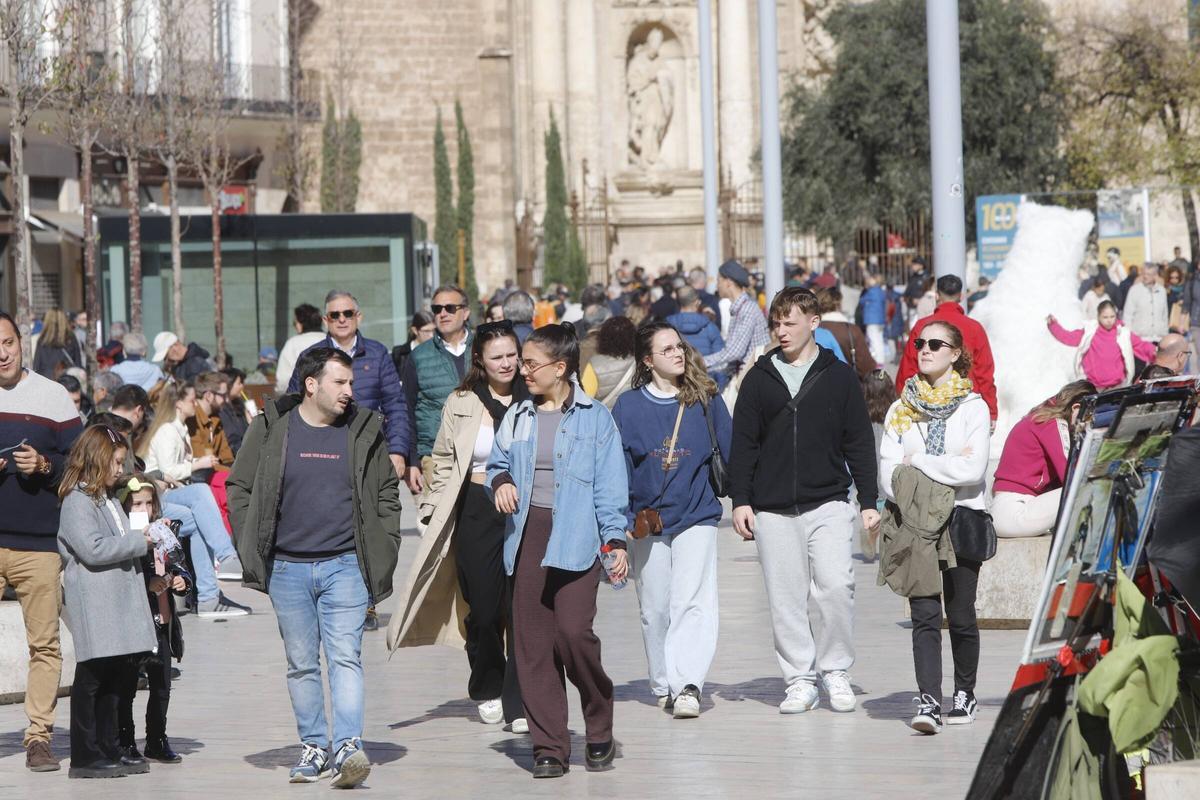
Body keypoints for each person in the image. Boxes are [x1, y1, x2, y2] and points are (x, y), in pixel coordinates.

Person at [227, 347, 403, 788]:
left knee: (345, 657)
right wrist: (250, 543)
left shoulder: (362, 429)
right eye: (340, 382)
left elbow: (385, 492)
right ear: (312, 385)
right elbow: (240, 486)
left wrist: (387, 542)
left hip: (346, 565)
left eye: (350, 383)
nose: (350, 391)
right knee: (302, 663)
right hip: (288, 568)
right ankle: (313, 747)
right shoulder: (273, 429)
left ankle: (347, 745)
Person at [487, 323, 628, 778]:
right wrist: (501, 481)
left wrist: (615, 540)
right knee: (532, 646)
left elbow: (610, 488)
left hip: (578, 536)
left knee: (572, 635)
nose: (522, 370)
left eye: (531, 363)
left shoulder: (595, 418)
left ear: (560, 367)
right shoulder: (517, 415)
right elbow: (498, 462)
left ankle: (599, 721)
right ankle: (549, 745)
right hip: (527, 535)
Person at [728, 288, 878, 714]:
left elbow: (859, 441)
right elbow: (744, 444)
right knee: (785, 596)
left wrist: (869, 498)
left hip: (828, 500)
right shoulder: (759, 377)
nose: (781, 331)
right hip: (772, 507)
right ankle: (799, 678)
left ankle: (835, 671)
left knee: (835, 586)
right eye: (776, 323)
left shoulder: (838, 375)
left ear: (814, 322)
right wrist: (741, 500)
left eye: (789, 322)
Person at [388, 320, 528, 731]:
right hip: (475, 507)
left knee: (522, 606)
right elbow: (445, 458)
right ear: (480, 362)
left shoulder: (534, 396)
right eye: (496, 357)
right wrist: (431, 507)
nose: (506, 364)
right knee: (483, 608)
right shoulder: (462, 401)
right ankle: (488, 684)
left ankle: (519, 699)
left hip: (525, 507)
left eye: (511, 355)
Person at [612, 322, 731, 718]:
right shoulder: (629, 407)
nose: (678, 354)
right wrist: (622, 515)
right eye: (667, 350)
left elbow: (731, 451)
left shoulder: (706, 397)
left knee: (693, 601)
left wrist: (748, 499)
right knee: (655, 606)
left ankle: (689, 684)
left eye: (679, 347)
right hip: (647, 520)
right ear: (647, 360)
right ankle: (664, 681)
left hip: (697, 513)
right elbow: (619, 465)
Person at [878, 320, 991, 734]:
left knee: (960, 614)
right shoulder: (900, 409)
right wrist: (945, 468)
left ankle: (965, 692)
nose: (924, 349)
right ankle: (929, 699)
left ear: (956, 353)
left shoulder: (973, 407)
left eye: (935, 344)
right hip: (915, 523)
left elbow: (973, 468)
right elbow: (886, 475)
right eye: (919, 343)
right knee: (925, 613)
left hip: (962, 519)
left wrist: (921, 462)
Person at [0, 312, 84, 772]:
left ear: (21, 343)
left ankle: (38, 738)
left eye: (9, 342)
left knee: (45, 645)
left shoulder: (53, 397)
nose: (2, 352)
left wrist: (45, 467)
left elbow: (79, 464)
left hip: (38, 544)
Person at [56, 425, 157, 779]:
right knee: (92, 677)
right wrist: (139, 542)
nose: (120, 469)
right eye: (115, 462)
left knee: (115, 678)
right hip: (95, 600)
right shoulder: (77, 501)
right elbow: (93, 548)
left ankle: (108, 745)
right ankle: (85, 754)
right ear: (97, 460)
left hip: (117, 599)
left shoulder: (109, 499)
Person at [141, 381, 249, 618]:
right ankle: (227, 558)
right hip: (155, 498)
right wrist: (197, 464)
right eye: (191, 400)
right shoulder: (168, 430)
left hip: (166, 495)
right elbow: (167, 470)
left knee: (199, 519)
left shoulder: (179, 429)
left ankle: (210, 596)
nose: (195, 404)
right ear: (179, 403)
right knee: (201, 491)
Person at [117, 474, 191, 765]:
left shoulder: (164, 532)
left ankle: (157, 739)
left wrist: (182, 581)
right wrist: (147, 582)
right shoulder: (124, 537)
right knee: (127, 685)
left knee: (161, 684)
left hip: (163, 619)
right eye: (136, 504)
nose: (144, 509)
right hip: (136, 621)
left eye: (148, 503)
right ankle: (124, 739)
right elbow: (123, 576)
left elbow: (179, 565)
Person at [992, 380, 1096, 539]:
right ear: (1076, 408)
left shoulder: (1041, 417)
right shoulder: (1053, 423)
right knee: (1082, 488)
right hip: (1015, 509)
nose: (1088, 424)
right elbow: (1071, 474)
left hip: (1010, 508)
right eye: (1089, 417)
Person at [895, 275, 998, 423]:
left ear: (937, 295)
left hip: (928, 404)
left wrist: (902, 401)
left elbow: (908, 368)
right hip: (967, 405)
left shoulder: (922, 326)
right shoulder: (975, 328)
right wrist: (991, 410)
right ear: (961, 296)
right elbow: (985, 372)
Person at [402, 285, 474, 495]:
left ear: (465, 312)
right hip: (435, 456)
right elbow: (408, 409)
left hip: (481, 455)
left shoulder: (483, 347)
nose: (443, 313)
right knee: (438, 523)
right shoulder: (419, 356)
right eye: (437, 309)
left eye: (450, 307)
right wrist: (412, 461)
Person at [1047, 301, 1156, 390]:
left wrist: (1156, 351)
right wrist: (1053, 325)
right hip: (1094, 386)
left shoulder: (1122, 333)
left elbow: (1141, 345)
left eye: (1112, 316)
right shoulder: (1090, 332)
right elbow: (1068, 337)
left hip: (1117, 386)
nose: (1109, 320)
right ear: (1098, 316)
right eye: (1105, 317)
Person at [703, 260, 771, 388]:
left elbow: (735, 352)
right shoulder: (740, 309)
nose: (717, 286)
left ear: (728, 282)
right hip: (746, 376)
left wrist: (702, 362)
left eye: (719, 280)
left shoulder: (747, 309)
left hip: (751, 379)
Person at [580, 315, 638, 408]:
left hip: (607, 419)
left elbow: (584, 400)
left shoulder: (595, 365)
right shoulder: (642, 361)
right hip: (635, 417)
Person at [818, 287, 875, 379]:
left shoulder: (811, 329)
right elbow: (866, 366)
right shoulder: (851, 330)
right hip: (846, 384)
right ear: (838, 305)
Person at [187, 372, 235, 478]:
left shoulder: (215, 418)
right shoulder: (192, 419)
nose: (227, 399)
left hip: (216, 473)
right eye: (223, 395)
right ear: (208, 395)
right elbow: (201, 460)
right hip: (199, 477)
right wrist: (235, 475)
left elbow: (227, 457)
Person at [275, 303, 326, 395]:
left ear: (301, 323)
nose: (295, 326)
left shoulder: (293, 343)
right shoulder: (330, 340)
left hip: (302, 400)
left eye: (295, 322)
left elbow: (283, 382)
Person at [666, 286, 724, 357]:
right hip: (705, 367)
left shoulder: (666, 327)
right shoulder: (709, 326)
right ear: (697, 302)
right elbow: (719, 357)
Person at [1123, 263, 1169, 344]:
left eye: (1148, 274)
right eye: (1143, 273)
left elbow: (1164, 315)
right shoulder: (1134, 290)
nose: (1145, 276)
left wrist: (1165, 333)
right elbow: (1127, 315)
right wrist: (1129, 337)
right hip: (1140, 339)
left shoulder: (1162, 291)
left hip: (1159, 338)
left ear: (1155, 275)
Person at [33, 307, 83, 380]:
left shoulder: (43, 340)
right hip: (67, 380)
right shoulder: (70, 338)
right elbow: (78, 362)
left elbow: (37, 365)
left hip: (46, 380)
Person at [218, 367, 254, 454]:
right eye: (239, 383)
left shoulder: (239, 406)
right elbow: (232, 440)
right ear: (228, 384)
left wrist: (252, 423)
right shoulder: (222, 410)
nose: (242, 386)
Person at [390, 310, 436, 378]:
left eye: (434, 330)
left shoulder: (440, 351)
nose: (431, 335)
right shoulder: (399, 354)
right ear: (415, 330)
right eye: (426, 331)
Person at [858, 273, 888, 367]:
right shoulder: (881, 292)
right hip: (880, 320)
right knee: (879, 340)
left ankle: (875, 361)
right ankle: (881, 360)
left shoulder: (871, 291)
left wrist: (866, 288)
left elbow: (861, 301)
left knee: (872, 340)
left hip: (872, 320)